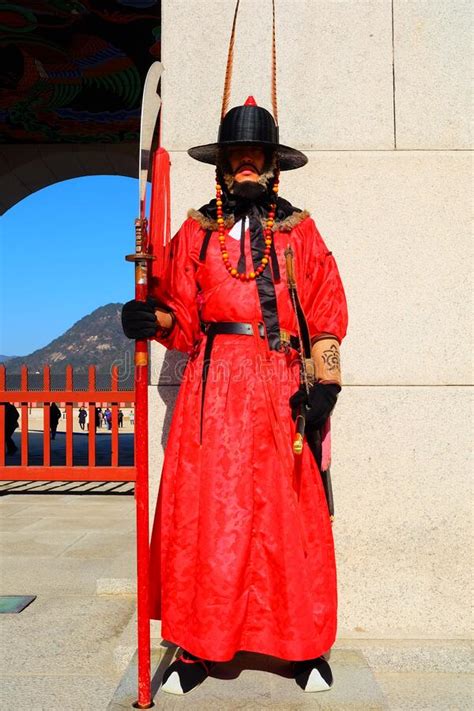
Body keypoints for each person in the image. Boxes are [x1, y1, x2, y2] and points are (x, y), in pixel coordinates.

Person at [122, 96, 348, 696]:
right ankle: (197, 644)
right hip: (214, 384)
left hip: (280, 384)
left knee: (287, 514)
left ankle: (302, 647)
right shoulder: (196, 232)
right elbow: (183, 318)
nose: (246, 166)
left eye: (257, 156)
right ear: (221, 166)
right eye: (236, 157)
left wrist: (325, 388)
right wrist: (153, 320)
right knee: (209, 515)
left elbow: (325, 314)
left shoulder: (302, 231)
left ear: (274, 164)